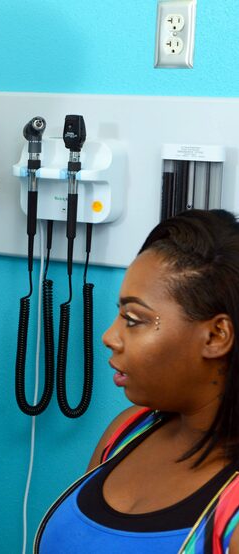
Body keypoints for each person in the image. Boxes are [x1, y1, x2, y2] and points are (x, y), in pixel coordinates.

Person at [35, 209, 239, 553]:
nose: (109, 337)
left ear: (216, 336)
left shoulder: (230, 510)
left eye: (133, 319)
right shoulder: (125, 432)